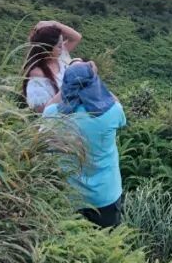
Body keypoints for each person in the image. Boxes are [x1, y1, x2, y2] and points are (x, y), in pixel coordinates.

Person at [43, 61, 127, 228]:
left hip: (70, 196)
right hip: (106, 194)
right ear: (94, 83)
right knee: (108, 240)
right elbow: (113, 102)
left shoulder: (53, 115)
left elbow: (47, 108)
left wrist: (71, 79)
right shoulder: (112, 112)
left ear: (65, 86)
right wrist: (93, 76)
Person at [22, 20, 82, 111]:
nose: (62, 47)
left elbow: (76, 37)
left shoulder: (60, 56)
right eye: (59, 46)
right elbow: (41, 110)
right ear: (48, 49)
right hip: (62, 116)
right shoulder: (38, 73)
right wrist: (69, 88)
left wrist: (54, 24)